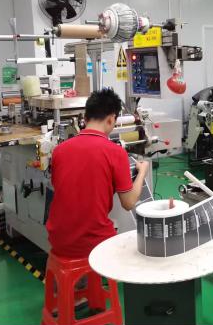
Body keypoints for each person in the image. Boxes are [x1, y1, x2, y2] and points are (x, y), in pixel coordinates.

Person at [46, 88, 149, 259]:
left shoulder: (59, 151)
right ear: (111, 119)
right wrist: (142, 172)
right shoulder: (116, 152)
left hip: (57, 240)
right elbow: (129, 202)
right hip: (93, 245)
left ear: (85, 119)